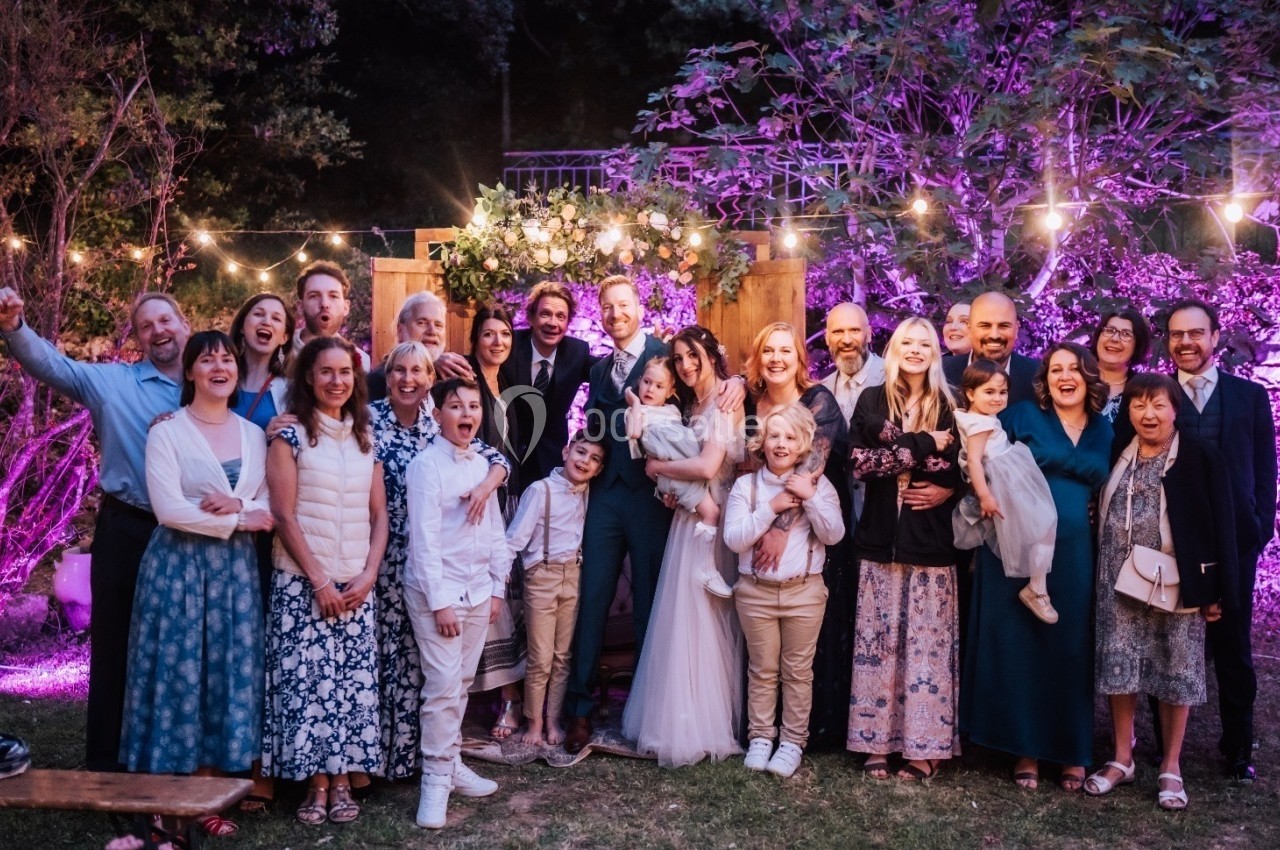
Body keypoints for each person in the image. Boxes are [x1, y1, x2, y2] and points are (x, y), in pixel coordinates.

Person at [0, 287, 189, 771]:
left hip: (192, 531)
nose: (158, 331)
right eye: (146, 326)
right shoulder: (114, 383)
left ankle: (180, 757)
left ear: (183, 323)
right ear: (138, 337)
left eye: (165, 320)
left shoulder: (213, 379)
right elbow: (54, 366)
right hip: (127, 526)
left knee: (183, 645)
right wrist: (14, 327)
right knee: (114, 644)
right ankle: (106, 761)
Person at [562, 276, 743, 754]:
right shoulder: (600, 370)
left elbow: (709, 388)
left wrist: (739, 382)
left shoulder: (670, 356)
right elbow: (596, 428)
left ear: (639, 308)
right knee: (592, 595)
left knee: (651, 601)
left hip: (655, 497)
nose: (615, 313)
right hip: (605, 495)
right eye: (607, 306)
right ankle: (578, 710)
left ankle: (646, 710)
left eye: (623, 304)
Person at [119, 332, 273, 838]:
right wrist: (237, 521)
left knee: (221, 676)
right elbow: (169, 509)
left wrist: (243, 509)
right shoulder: (168, 432)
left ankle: (207, 793)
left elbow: (269, 507)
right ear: (190, 373)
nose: (219, 366)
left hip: (234, 576)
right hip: (178, 570)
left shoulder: (254, 434)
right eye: (207, 360)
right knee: (177, 673)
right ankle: (166, 798)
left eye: (227, 358)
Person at [1114, 298, 1275, 782]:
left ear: (1215, 336)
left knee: (1233, 646)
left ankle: (1238, 747)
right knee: (1171, 643)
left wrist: (1259, 526)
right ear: (1167, 340)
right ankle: (1167, 752)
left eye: (1196, 333)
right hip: (1171, 542)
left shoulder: (1248, 397)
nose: (1186, 342)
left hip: (1235, 542)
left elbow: (1265, 469)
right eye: (1177, 334)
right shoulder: (1151, 397)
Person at [959, 342, 1112, 792]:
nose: (1066, 377)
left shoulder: (1104, 429)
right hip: (1014, 543)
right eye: (1056, 370)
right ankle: (1022, 748)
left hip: (1075, 552)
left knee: (1069, 642)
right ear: (1043, 380)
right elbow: (978, 455)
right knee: (1020, 642)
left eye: (1075, 370)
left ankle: (1070, 750)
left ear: (1088, 378)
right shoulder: (1020, 416)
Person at [1085, 373, 1238, 810]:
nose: (1147, 414)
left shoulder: (1201, 457)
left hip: (1178, 583)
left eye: (1157, 405)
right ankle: (1122, 759)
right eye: (1138, 405)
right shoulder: (1117, 451)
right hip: (1117, 580)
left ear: (1175, 409)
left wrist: (1214, 592)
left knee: (1176, 669)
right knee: (1121, 667)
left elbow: (1220, 528)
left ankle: (1171, 766)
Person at [261, 337, 388, 826]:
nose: (337, 380)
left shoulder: (364, 436)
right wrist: (318, 581)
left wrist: (369, 574)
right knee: (309, 687)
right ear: (308, 379)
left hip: (356, 582)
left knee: (351, 687)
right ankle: (315, 785)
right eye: (326, 372)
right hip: (302, 583)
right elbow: (283, 514)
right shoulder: (288, 436)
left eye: (345, 372)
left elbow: (380, 517)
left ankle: (343, 782)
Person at [369, 341, 511, 779]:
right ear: (387, 376)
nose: (408, 379)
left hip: (445, 562)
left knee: (438, 675)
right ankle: (396, 764)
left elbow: (495, 459)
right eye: (399, 370)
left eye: (418, 372)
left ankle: (440, 762)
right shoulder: (368, 420)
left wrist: (488, 484)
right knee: (397, 666)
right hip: (386, 553)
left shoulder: (444, 429)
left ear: (430, 383)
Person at [621, 325, 745, 768]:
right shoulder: (687, 404)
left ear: (711, 354)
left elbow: (711, 462)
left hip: (719, 511)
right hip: (689, 513)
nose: (686, 365)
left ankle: (713, 722)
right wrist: (669, 485)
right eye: (678, 359)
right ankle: (682, 720)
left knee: (712, 614)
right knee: (684, 616)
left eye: (693, 356)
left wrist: (657, 466)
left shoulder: (728, 399)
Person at [846, 317, 961, 782]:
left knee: (926, 652)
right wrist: (920, 446)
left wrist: (920, 461)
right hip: (878, 544)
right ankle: (875, 741)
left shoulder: (950, 403)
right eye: (906, 343)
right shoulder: (872, 400)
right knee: (878, 648)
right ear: (893, 349)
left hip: (930, 546)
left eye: (924, 343)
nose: (915, 350)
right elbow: (860, 464)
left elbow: (951, 466)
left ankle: (924, 744)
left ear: (934, 351)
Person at [405, 377, 510, 830]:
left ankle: (451, 767)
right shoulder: (427, 466)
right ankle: (434, 781)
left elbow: (494, 531)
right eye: (455, 406)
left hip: (477, 590)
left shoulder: (481, 465)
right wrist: (441, 603)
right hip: (438, 593)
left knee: (462, 682)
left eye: (473, 406)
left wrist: (497, 587)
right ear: (437, 415)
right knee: (442, 686)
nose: (466, 413)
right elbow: (424, 542)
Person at [744, 321, 854, 750]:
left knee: (811, 639)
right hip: (756, 515)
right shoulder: (752, 402)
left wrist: (777, 533)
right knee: (764, 646)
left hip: (811, 523)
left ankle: (810, 732)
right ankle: (759, 729)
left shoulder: (818, 401)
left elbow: (809, 472)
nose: (776, 359)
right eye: (768, 350)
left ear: (800, 359)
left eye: (785, 351)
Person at [724, 404, 845, 778]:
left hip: (804, 593)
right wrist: (771, 507)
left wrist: (808, 497)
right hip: (755, 592)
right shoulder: (747, 486)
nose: (781, 444)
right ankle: (761, 736)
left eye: (790, 437)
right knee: (762, 669)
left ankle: (792, 741)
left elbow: (834, 534)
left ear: (803, 443)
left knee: (798, 671)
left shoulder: (818, 485)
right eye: (774, 435)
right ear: (763, 441)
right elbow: (734, 538)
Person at [505, 431, 607, 746]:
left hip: (574, 576)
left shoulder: (589, 492)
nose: (584, 462)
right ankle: (533, 723)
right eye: (580, 452)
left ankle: (553, 721)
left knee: (563, 655)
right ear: (565, 451)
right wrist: (500, 578)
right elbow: (514, 539)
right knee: (540, 657)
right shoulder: (540, 490)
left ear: (599, 470)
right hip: (542, 576)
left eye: (594, 459)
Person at [951, 360, 1059, 624]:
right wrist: (986, 495)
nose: (998, 398)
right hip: (1005, 480)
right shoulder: (980, 425)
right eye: (989, 392)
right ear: (970, 393)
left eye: (1002, 392)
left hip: (1008, 474)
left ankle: (1037, 586)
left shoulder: (980, 418)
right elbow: (974, 460)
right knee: (1045, 524)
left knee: (1040, 526)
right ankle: (1036, 588)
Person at [464, 304, 527, 739]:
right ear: (475, 341)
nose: (497, 342)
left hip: (511, 504)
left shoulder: (507, 384)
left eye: (504, 334)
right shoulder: (464, 380)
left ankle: (511, 696)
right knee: (486, 602)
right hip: (477, 504)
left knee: (508, 602)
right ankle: (502, 698)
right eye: (488, 334)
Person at [623, 357, 728, 575]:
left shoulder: (672, 411)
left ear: (670, 391)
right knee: (711, 514)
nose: (650, 389)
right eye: (646, 382)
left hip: (687, 464)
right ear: (639, 381)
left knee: (710, 508)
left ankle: (709, 566)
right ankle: (708, 568)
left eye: (659, 386)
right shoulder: (637, 412)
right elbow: (633, 433)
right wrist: (634, 403)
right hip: (674, 472)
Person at [501, 281, 602, 488]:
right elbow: (477, 359)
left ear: (568, 323)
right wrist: (440, 359)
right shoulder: (509, 347)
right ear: (530, 317)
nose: (552, 323)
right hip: (506, 457)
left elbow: (608, 371)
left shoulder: (576, 353)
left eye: (560, 316)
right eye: (545, 314)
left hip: (551, 462)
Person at [819, 302, 886, 532]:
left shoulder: (894, 379)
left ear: (869, 334)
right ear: (827, 338)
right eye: (838, 332)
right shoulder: (820, 390)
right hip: (838, 513)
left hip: (884, 511)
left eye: (854, 330)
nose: (846, 340)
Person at [941, 291, 1038, 404]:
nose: (994, 335)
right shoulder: (941, 372)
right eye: (985, 326)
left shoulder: (1038, 375)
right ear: (970, 329)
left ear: (1016, 330)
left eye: (1004, 326)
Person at [228, 293, 293, 431]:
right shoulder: (218, 376)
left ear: (284, 337)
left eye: (276, 318)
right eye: (258, 314)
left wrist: (272, 438)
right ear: (242, 327)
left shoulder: (290, 390)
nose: (267, 322)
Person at [368, 291, 448, 401]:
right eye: (422, 323)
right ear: (400, 330)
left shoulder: (449, 377)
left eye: (438, 325)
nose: (432, 331)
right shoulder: (379, 381)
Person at [292, 260, 372, 370]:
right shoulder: (280, 353)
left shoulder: (360, 361)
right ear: (300, 307)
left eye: (333, 296)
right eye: (314, 296)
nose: (324, 304)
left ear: (345, 307)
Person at [1089, 308, 1151, 423]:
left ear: (1137, 345)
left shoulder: (1144, 391)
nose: (1115, 339)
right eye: (1109, 330)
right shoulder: (1076, 378)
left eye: (1126, 334)